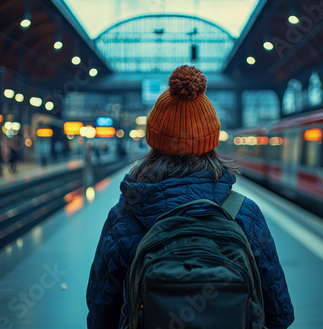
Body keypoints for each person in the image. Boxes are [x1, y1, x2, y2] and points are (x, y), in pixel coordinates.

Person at [86, 65, 294, 329]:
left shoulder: (124, 218)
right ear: (212, 143)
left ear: (153, 141)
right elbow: (279, 313)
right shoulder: (245, 213)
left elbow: (100, 313)